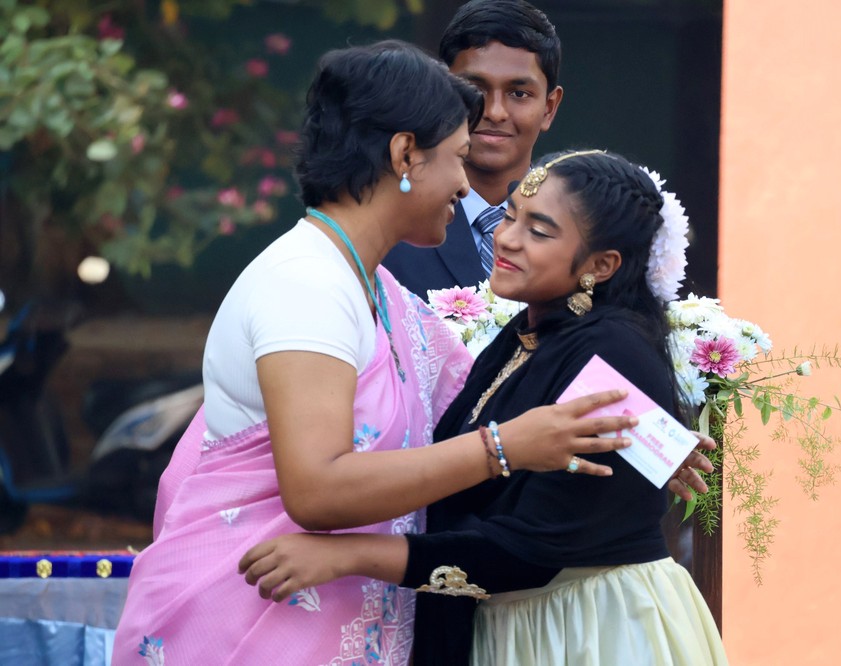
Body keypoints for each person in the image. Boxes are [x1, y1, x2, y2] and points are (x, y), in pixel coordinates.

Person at [110, 44, 639, 666]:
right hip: (250, 621)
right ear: (405, 155)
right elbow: (317, 490)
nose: (466, 185)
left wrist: (636, 448)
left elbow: (487, 402)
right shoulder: (304, 285)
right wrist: (502, 449)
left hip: (333, 619)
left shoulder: (376, 290)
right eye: (459, 157)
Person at [239, 149, 728, 665]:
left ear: (601, 265)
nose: (507, 238)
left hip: (593, 631)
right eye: (511, 215)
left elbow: (527, 552)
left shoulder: (612, 352)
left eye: (539, 231)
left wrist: (344, 555)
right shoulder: (529, 333)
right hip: (527, 624)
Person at [382, 0, 563, 296]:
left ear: (549, 108)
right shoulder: (393, 230)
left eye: (519, 93)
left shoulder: (579, 232)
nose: (494, 111)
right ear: (441, 93)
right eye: (474, 90)